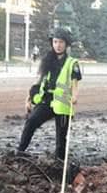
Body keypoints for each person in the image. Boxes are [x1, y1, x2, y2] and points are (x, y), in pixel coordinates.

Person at [18, 26, 82, 161]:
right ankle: (20, 152)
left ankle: (60, 161)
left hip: (63, 103)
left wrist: (75, 96)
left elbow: (75, 82)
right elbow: (40, 80)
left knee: (61, 136)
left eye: (61, 42)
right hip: (46, 100)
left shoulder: (72, 63)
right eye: (55, 42)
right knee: (31, 122)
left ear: (66, 44)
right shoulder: (47, 60)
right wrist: (29, 98)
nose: (58, 45)